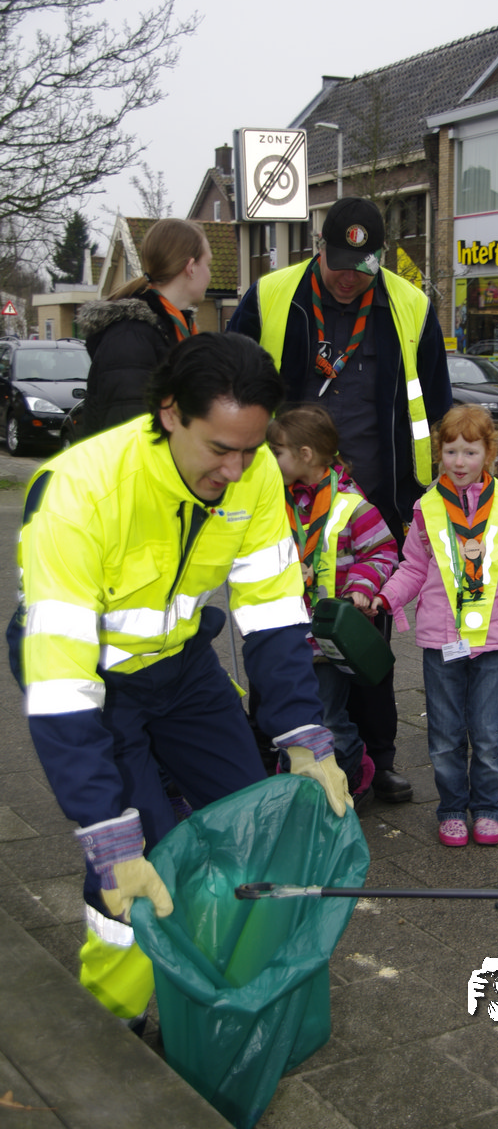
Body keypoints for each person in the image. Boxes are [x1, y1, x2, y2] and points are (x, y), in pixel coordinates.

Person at [10, 332, 349, 1030]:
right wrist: (105, 830)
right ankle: (113, 1021)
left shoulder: (254, 474)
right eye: (220, 448)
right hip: (97, 678)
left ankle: (235, 985)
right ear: (169, 413)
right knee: (140, 858)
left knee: (253, 818)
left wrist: (303, 733)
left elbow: (273, 609)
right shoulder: (80, 491)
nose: (236, 469)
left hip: (182, 665)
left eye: (251, 450)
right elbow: (62, 684)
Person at [228, 196, 453, 803]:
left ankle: (377, 756)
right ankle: (271, 750)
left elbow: (436, 402)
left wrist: (438, 488)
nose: (349, 277)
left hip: (373, 504)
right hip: (283, 501)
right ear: (319, 248)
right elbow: (229, 384)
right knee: (278, 629)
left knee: (366, 637)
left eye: (363, 265)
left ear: (379, 258)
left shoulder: (409, 305)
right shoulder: (272, 296)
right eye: (339, 263)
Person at [372, 405, 498, 846]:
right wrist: (387, 596)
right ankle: (451, 808)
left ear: (489, 453)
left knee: (486, 735)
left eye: (470, 452)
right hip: (441, 639)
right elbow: (413, 567)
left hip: (493, 638)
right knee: (445, 735)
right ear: (439, 453)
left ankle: (486, 807)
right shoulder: (427, 509)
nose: (460, 461)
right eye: (451, 451)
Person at [268, 404, 398, 809]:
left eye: (277, 452)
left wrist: (361, 586)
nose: (271, 461)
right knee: (288, 717)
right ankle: (300, 784)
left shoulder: (351, 504)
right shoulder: (278, 502)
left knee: (329, 716)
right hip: (287, 635)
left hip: (328, 641)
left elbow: (383, 551)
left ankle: (353, 768)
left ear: (305, 455)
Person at [80, 217, 212, 435]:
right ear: (190, 268)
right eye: (208, 264)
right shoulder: (130, 336)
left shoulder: (166, 327)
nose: (209, 274)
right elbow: (130, 432)